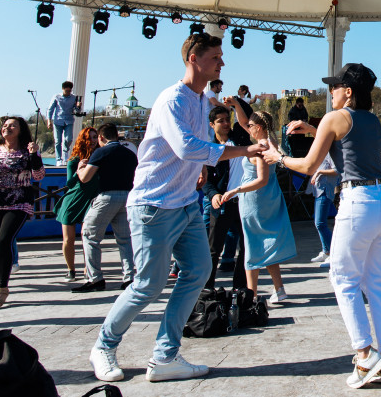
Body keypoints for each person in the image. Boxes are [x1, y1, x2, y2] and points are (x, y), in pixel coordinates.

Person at [89, 34, 265, 384]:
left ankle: (164, 357)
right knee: (147, 285)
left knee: (198, 271)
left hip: (185, 204)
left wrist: (200, 169)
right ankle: (103, 346)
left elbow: (196, 148)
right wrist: (245, 151)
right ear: (193, 59)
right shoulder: (172, 99)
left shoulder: (201, 101)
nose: (222, 63)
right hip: (153, 205)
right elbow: (187, 146)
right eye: (215, 57)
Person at [278, 63, 381, 388]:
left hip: (358, 203)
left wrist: (278, 158)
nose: (329, 92)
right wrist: (312, 127)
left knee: (343, 279)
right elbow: (346, 136)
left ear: (347, 91)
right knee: (378, 281)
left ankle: (364, 356)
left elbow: (308, 165)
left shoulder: (334, 118)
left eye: (334, 87)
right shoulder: (373, 121)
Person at [222, 110, 294, 303]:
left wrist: (235, 190)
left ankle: (251, 294)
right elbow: (243, 122)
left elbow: (261, 179)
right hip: (270, 197)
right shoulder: (272, 143)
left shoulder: (260, 148)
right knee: (266, 243)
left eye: (251, 126)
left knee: (251, 245)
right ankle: (279, 288)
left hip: (255, 199)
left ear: (259, 127)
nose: (247, 128)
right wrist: (236, 105)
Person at [0, 116, 45, 309]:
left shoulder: (27, 151)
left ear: (21, 130)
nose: (7, 128)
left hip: (18, 202)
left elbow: (39, 175)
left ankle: (2, 288)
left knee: (3, 241)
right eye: (5, 125)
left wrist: (34, 155)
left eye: (13, 125)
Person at [72, 122, 137, 293]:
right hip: (127, 196)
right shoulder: (130, 154)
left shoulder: (101, 152)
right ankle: (129, 277)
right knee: (125, 239)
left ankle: (95, 278)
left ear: (101, 137)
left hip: (107, 196)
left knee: (90, 235)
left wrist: (80, 169)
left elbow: (85, 178)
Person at [203, 103, 247, 289]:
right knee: (213, 249)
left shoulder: (240, 139)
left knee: (246, 248)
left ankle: (240, 287)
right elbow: (205, 180)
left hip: (244, 202)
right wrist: (213, 195)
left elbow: (246, 119)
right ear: (212, 125)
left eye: (227, 120)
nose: (226, 123)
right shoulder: (209, 148)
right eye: (220, 121)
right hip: (222, 203)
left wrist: (236, 103)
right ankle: (207, 289)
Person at [54, 126, 101, 282]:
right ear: (83, 140)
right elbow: (69, 183)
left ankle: (88, 268)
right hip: (73, 201)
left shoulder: (100, 158)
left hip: (91, 201)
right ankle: (71, 270)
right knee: (68, 239)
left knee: (87, 236)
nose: (92, 141)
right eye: (89, 137)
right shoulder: (74, 160)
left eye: (95, 137)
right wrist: (78, 169)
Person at [309, 152, 339, 265]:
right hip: (318, 190)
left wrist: (319, 172)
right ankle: (326, 251)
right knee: (319, 223)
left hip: (325, 190)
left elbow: (337, 170)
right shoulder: (320, 152)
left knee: (320, 223)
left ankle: (334, 253)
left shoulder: (330, 152)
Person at [47, 81, 78, 165]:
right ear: (63, 89)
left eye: (69, 91)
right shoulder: (56, 97)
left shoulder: (74, 97)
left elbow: (77, 111)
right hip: (58, 120)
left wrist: (78, 106)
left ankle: (65, 153)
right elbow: (50, 109)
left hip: (69, 120)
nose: (68, 93)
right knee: (58, 140)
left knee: (68, 139)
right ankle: (58, 159)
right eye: (66, 91)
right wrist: (49, 120)